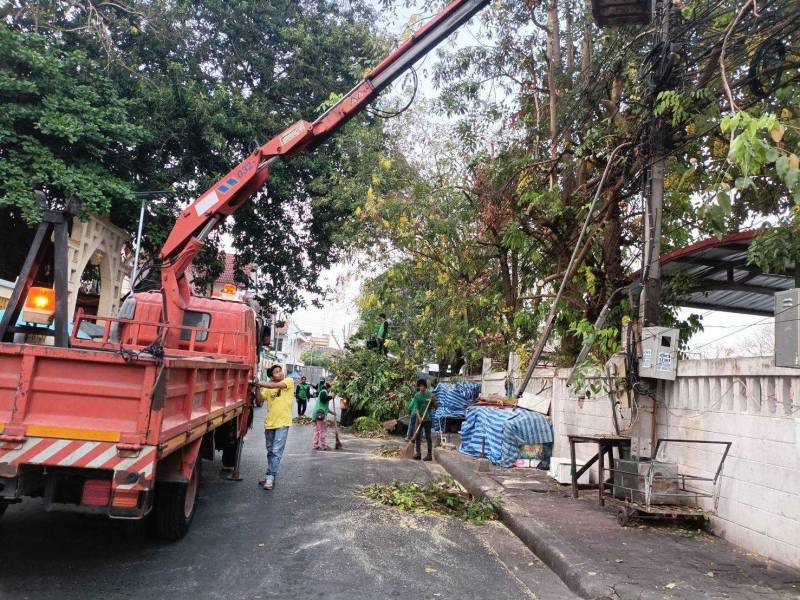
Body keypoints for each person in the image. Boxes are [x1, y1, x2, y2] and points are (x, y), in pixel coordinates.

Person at [253, 365, 294, 490]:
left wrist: (259, 382)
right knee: (270, 452)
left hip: (283, 423)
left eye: (280, 370)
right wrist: (257, 388)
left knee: (276, 452)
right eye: (276, 372)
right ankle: (269, 475)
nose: (280, 373)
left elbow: (273, 386)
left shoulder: (288, 381)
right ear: (271, 377)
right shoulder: (268, 387)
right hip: (269, 424)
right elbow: (259, 401)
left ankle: (270, 478)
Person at [408, 378, 436, 461]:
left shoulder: (430, 395)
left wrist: (432, 401)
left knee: (428, 437)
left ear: (425, 387)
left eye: (423, 386)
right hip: (419, 418)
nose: (421, 388)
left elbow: (435, 406)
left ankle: (429, 455)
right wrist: (419, 418)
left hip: (428, 419)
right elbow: (416, 408)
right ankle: (418, 454)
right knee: (417, 436)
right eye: (420, 386)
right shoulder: (417, 395)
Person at [312, 379, 332, 450]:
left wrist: (332, 412)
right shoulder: (324, 392)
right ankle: (324, 445)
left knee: (318, 430)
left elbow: (324, 406)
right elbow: (323, 399)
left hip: (319, 413)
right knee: (322, 430)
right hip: (320, 414)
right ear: (328, 388)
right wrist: (331, 397)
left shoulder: (323, 392)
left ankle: (315, 445)